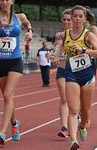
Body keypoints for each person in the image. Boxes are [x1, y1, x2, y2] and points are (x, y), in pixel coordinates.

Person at [53, 5, 97, 150]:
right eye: (75, 16)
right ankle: (74, 140)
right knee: (73, 109)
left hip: (87, 75)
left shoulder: (89, 35)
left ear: (85, 18)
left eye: (80, 16)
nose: (77, 19)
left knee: (86, 110)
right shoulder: (65, 34)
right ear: (72, 17)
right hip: (71, 74)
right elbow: (59, 46)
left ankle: (83, 125)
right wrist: (55, 55)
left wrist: (84, 50)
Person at [0, 0, 33, 146]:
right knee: (8, 97)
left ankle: (2, 132)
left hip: (15, 61)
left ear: (12, 1)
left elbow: (26, 23)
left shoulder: (19, 17)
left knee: (8, 95)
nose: (4, 2)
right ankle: (14, 123)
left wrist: (30, 31)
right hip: (0, 62)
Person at [54, 9, 72, 138]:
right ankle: (65, 127)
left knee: (76, 99)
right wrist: (54, 55)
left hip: (77, 71)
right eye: (64, 19)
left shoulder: (80, 35)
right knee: (64, 98)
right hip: (62, 69)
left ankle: (78, 115)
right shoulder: (59, 35)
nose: (66, 22)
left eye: (69, 19)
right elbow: (57, 48)